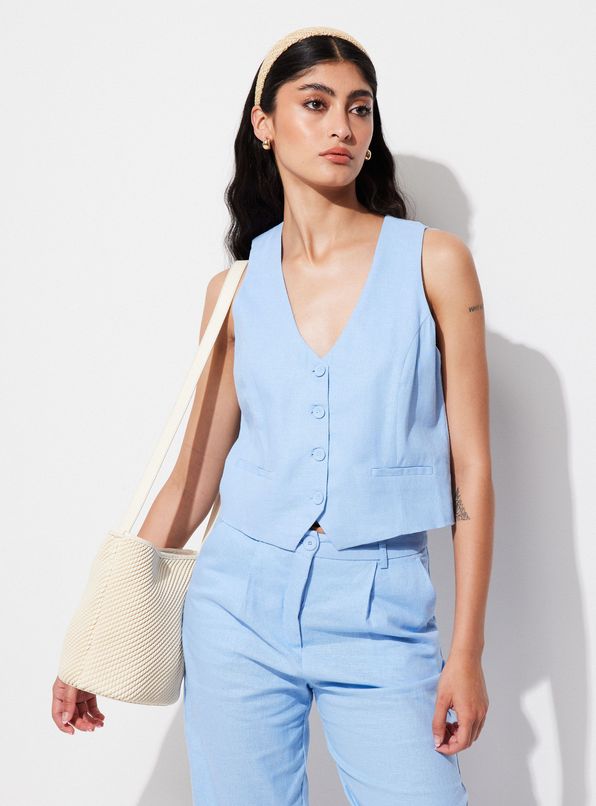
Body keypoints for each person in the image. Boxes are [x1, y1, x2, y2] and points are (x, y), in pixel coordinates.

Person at [52, 25, 492, 806]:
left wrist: (466, 651)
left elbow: (473, 470)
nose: (342, 126)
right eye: (315, 104)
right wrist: (97, 639)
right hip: (236, 610)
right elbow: (192, 481)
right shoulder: (233, 291)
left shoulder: (435, 262)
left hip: (381, 608)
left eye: (359, 108)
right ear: (264, 122)